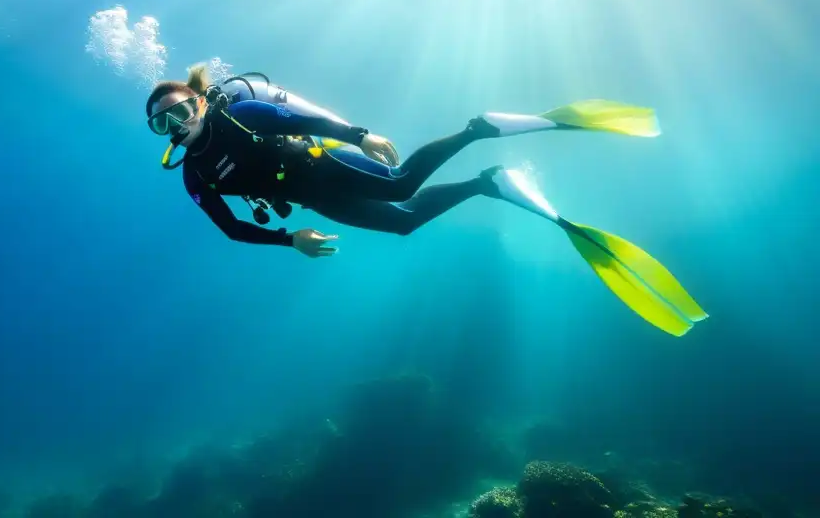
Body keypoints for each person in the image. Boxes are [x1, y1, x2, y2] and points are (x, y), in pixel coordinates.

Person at [145, 64, 709, 337]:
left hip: (321, 161)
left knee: (401, 187)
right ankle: (487, 182)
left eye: (179, 112)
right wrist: (288, 238)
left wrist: (358, 134)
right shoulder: (195, 176)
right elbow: (229, 228)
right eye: (161, 125)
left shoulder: (240, 114)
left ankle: (475, 129)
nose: (175, 126)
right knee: (403, 225)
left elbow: (295, 118)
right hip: (312, 202)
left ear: (198, 104)